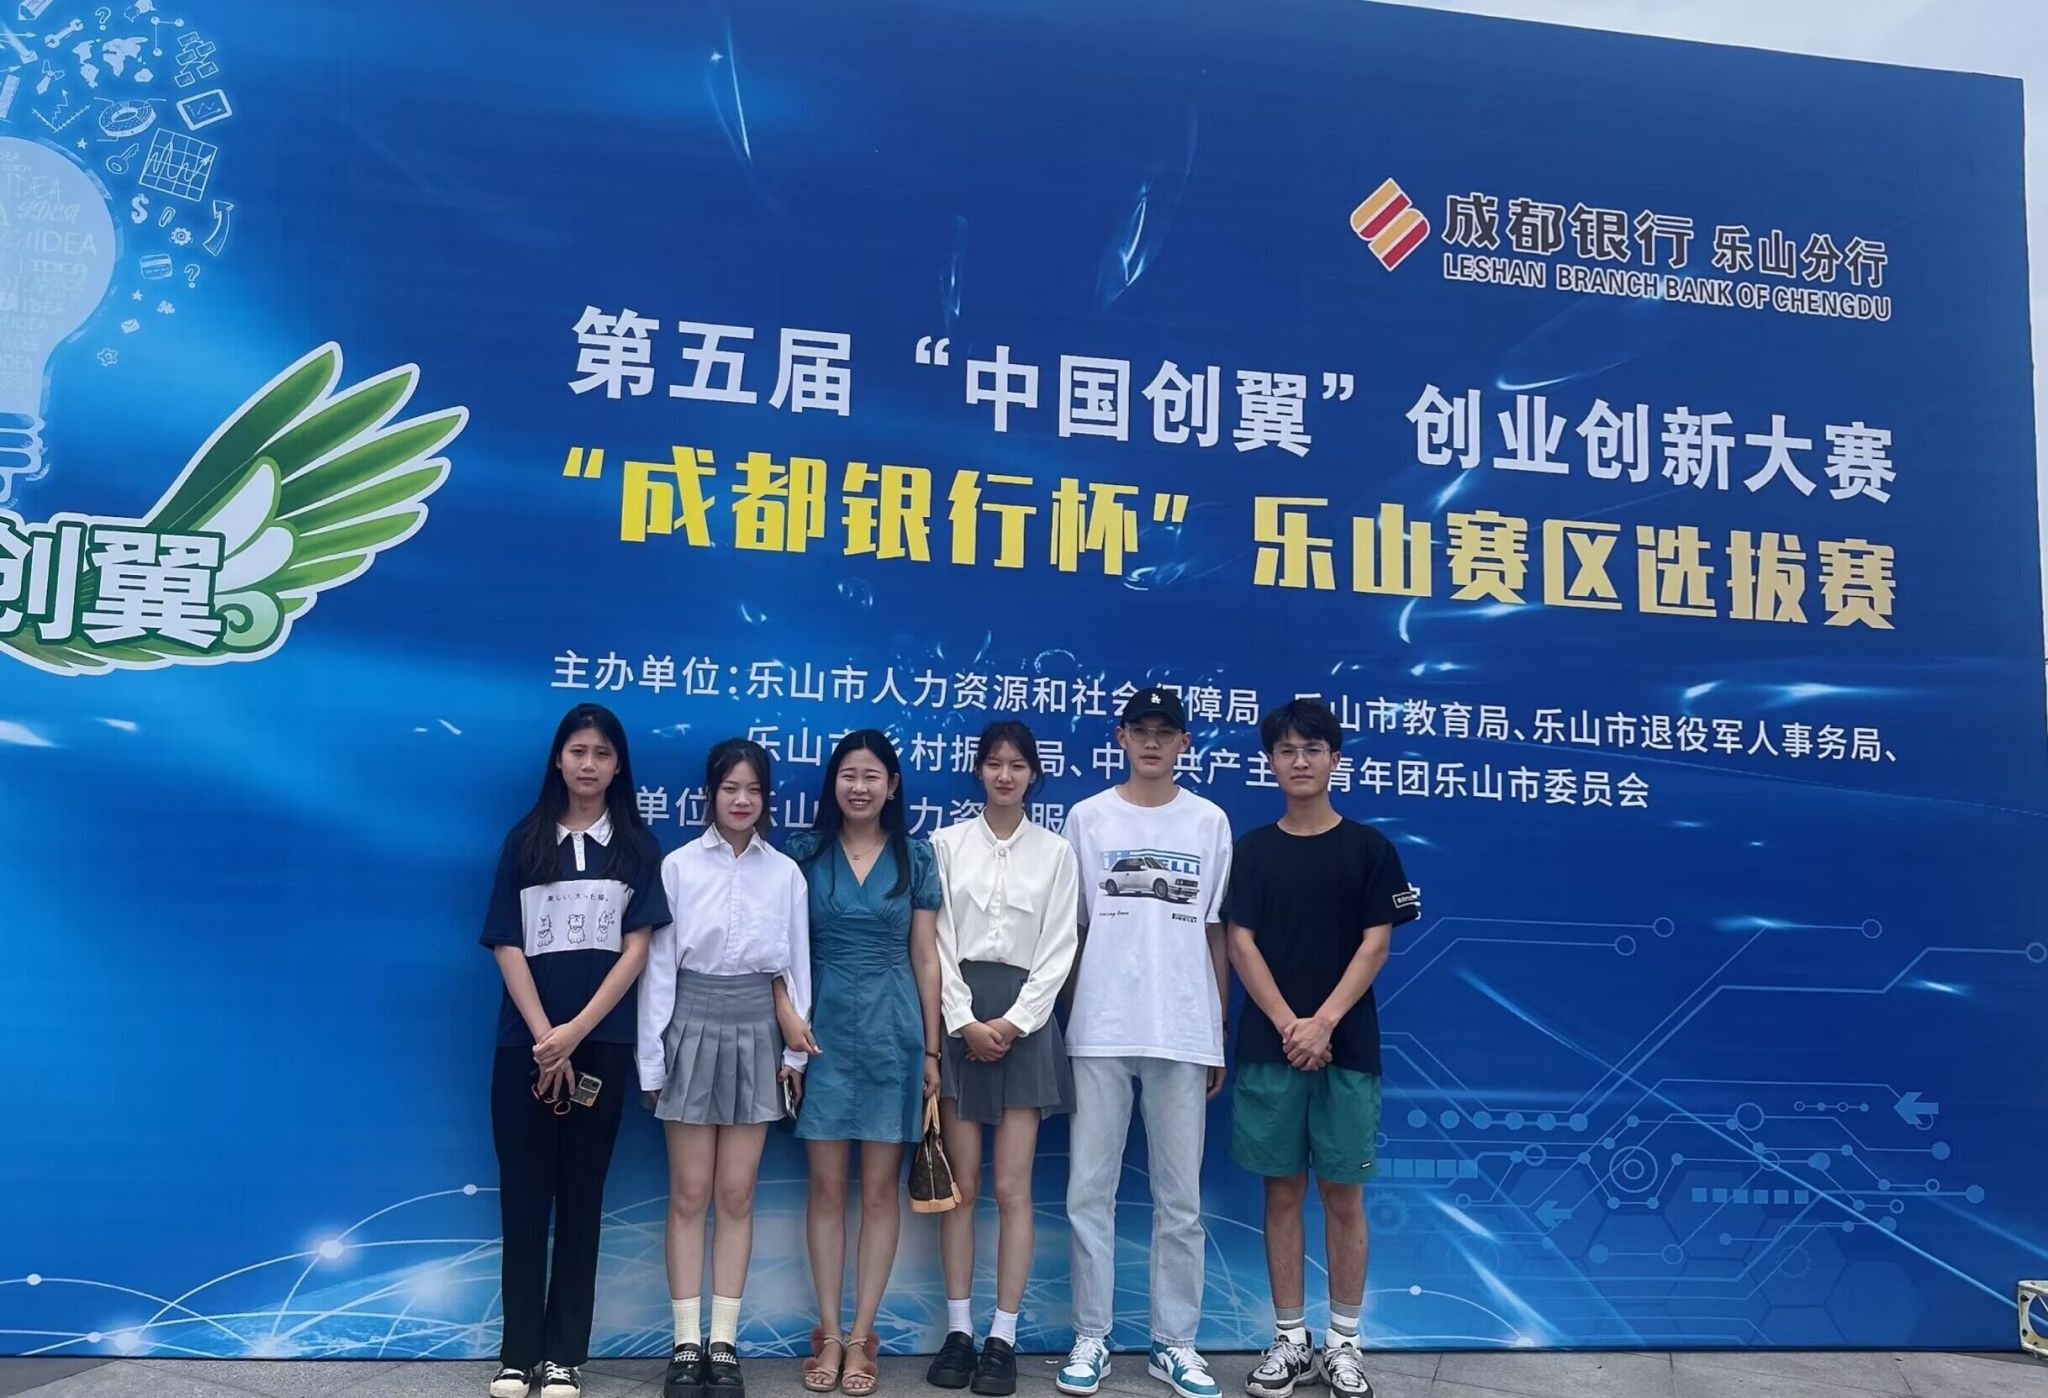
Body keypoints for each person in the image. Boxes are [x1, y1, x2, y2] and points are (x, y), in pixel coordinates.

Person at [1225, 700, 1420, 1398]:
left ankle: (1344, 1344)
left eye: (1312, 748)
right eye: (1286, 750)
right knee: (1281, 1193)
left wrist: (1324, 1023)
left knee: (1343, 1194)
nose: (1299, 761)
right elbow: (1239, 942)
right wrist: (1290, 1025)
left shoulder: (1370, 849)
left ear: (1335, 759)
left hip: (1348, 1049)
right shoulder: (1251, 851)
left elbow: (1376, 944)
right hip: (1271, 1047)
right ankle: (1290, 1341)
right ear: (1270, 763)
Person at [480, 704, 670, 1398]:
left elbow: (637, 949)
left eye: (602, 753)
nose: (589, 764)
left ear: (618, 767)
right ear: (558, 759)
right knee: (524, 1200)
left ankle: (564, 1355)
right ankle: (517, 1353)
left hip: (601, 1047)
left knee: (582, 1199)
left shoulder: (636, 848)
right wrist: (545, 1038)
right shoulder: (525, 841)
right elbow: (506, 942)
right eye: (578, 751)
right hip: (524, 1050)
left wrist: (576, 1033)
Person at [1055, 687, 1232, 1398]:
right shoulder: (1088, 817)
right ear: (1120, 736)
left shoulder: (1209, 821)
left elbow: (1215, 931)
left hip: (1182, 1028)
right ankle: (1091, 1336)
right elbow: (1072, 930)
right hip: (1100, 1028)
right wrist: (1072, 1018)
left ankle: (1174, 1343)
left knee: (1180, 1201)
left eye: (1166, 731)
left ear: (1185, 742)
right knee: (1087, 1193)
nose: (1152, 742)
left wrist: (1216, 1030)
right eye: (1141, 729)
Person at [641, 738, 820, 1398]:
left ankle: (724, 1343)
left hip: (757, 1031)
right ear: (710, 795)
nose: (741, 800)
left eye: (753, 790)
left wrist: (794, 1054)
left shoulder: (786, 874)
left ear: (766, 799)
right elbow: (659, 970)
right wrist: (652, 1060)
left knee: (737, 1193)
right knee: (690, 1193)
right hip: (689, 1024)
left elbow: (796, 968)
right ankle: (685, 1344)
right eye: (729, 788)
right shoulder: (678, 867)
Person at [784, 730, 945, 1397]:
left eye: (872, 775)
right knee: (826, 1189)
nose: (859, 786)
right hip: (820, 1033)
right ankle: (827, 1331)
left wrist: (932, 1050)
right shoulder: (804, 853)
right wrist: (788, 1026)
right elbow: (781, 950)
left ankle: (862, 1335)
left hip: (892, 1032)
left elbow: (926, 956)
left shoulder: (916, 856)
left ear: (892, 785)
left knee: (879, 1193)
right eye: (848, 774)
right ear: (834, 783)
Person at [924, 720, 1081, 1398]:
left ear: (1033, 774)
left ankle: (1003, 1336)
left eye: (1018, 765)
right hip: (960, 1017)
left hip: (1027, 1024)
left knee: (1013, 1189)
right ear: (979, 771)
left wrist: (1015, 1022)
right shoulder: (944, 844)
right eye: (994, 763)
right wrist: (961, 1020)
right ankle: (959, 1331)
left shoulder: (1057, 852)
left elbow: (1060, 946)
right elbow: (935, 939)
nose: (1005, 775)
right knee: (960, 1187)